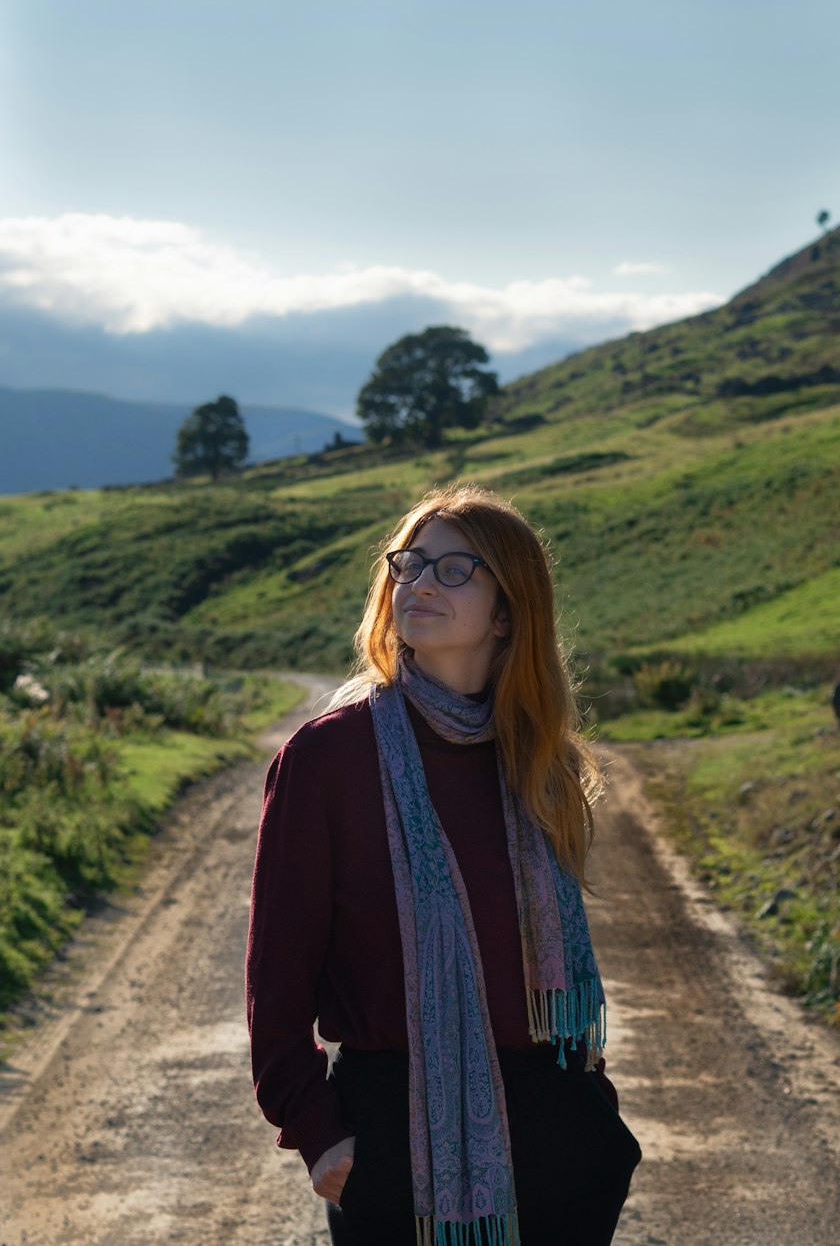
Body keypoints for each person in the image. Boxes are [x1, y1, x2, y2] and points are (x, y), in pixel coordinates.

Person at [246, 483, 641, 1246]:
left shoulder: (536, 757)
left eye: (454, 569)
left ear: (506, 611)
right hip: (396, 1132)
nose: (419, 582)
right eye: (409, 564)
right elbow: (277, 971)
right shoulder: (329, 757)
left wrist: (593, 1113)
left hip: (555, 1128)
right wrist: (316, 1124)